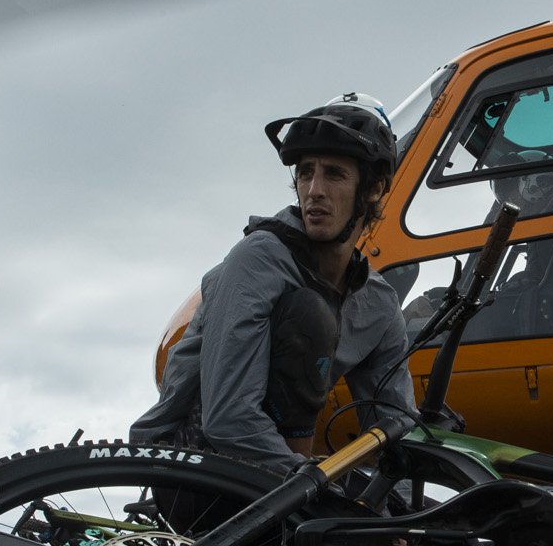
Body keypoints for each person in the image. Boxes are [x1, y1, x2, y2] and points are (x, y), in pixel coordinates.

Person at [132, 93, 417, 468]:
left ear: (374, 189)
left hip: (279, 471)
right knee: (309, 313)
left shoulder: (376, 302)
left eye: (334, 174)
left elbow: (395, 426)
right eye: (305, 172)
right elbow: (228, 420)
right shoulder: (259, 259)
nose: (314, 190)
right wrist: (311, 484)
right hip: (193, 463)